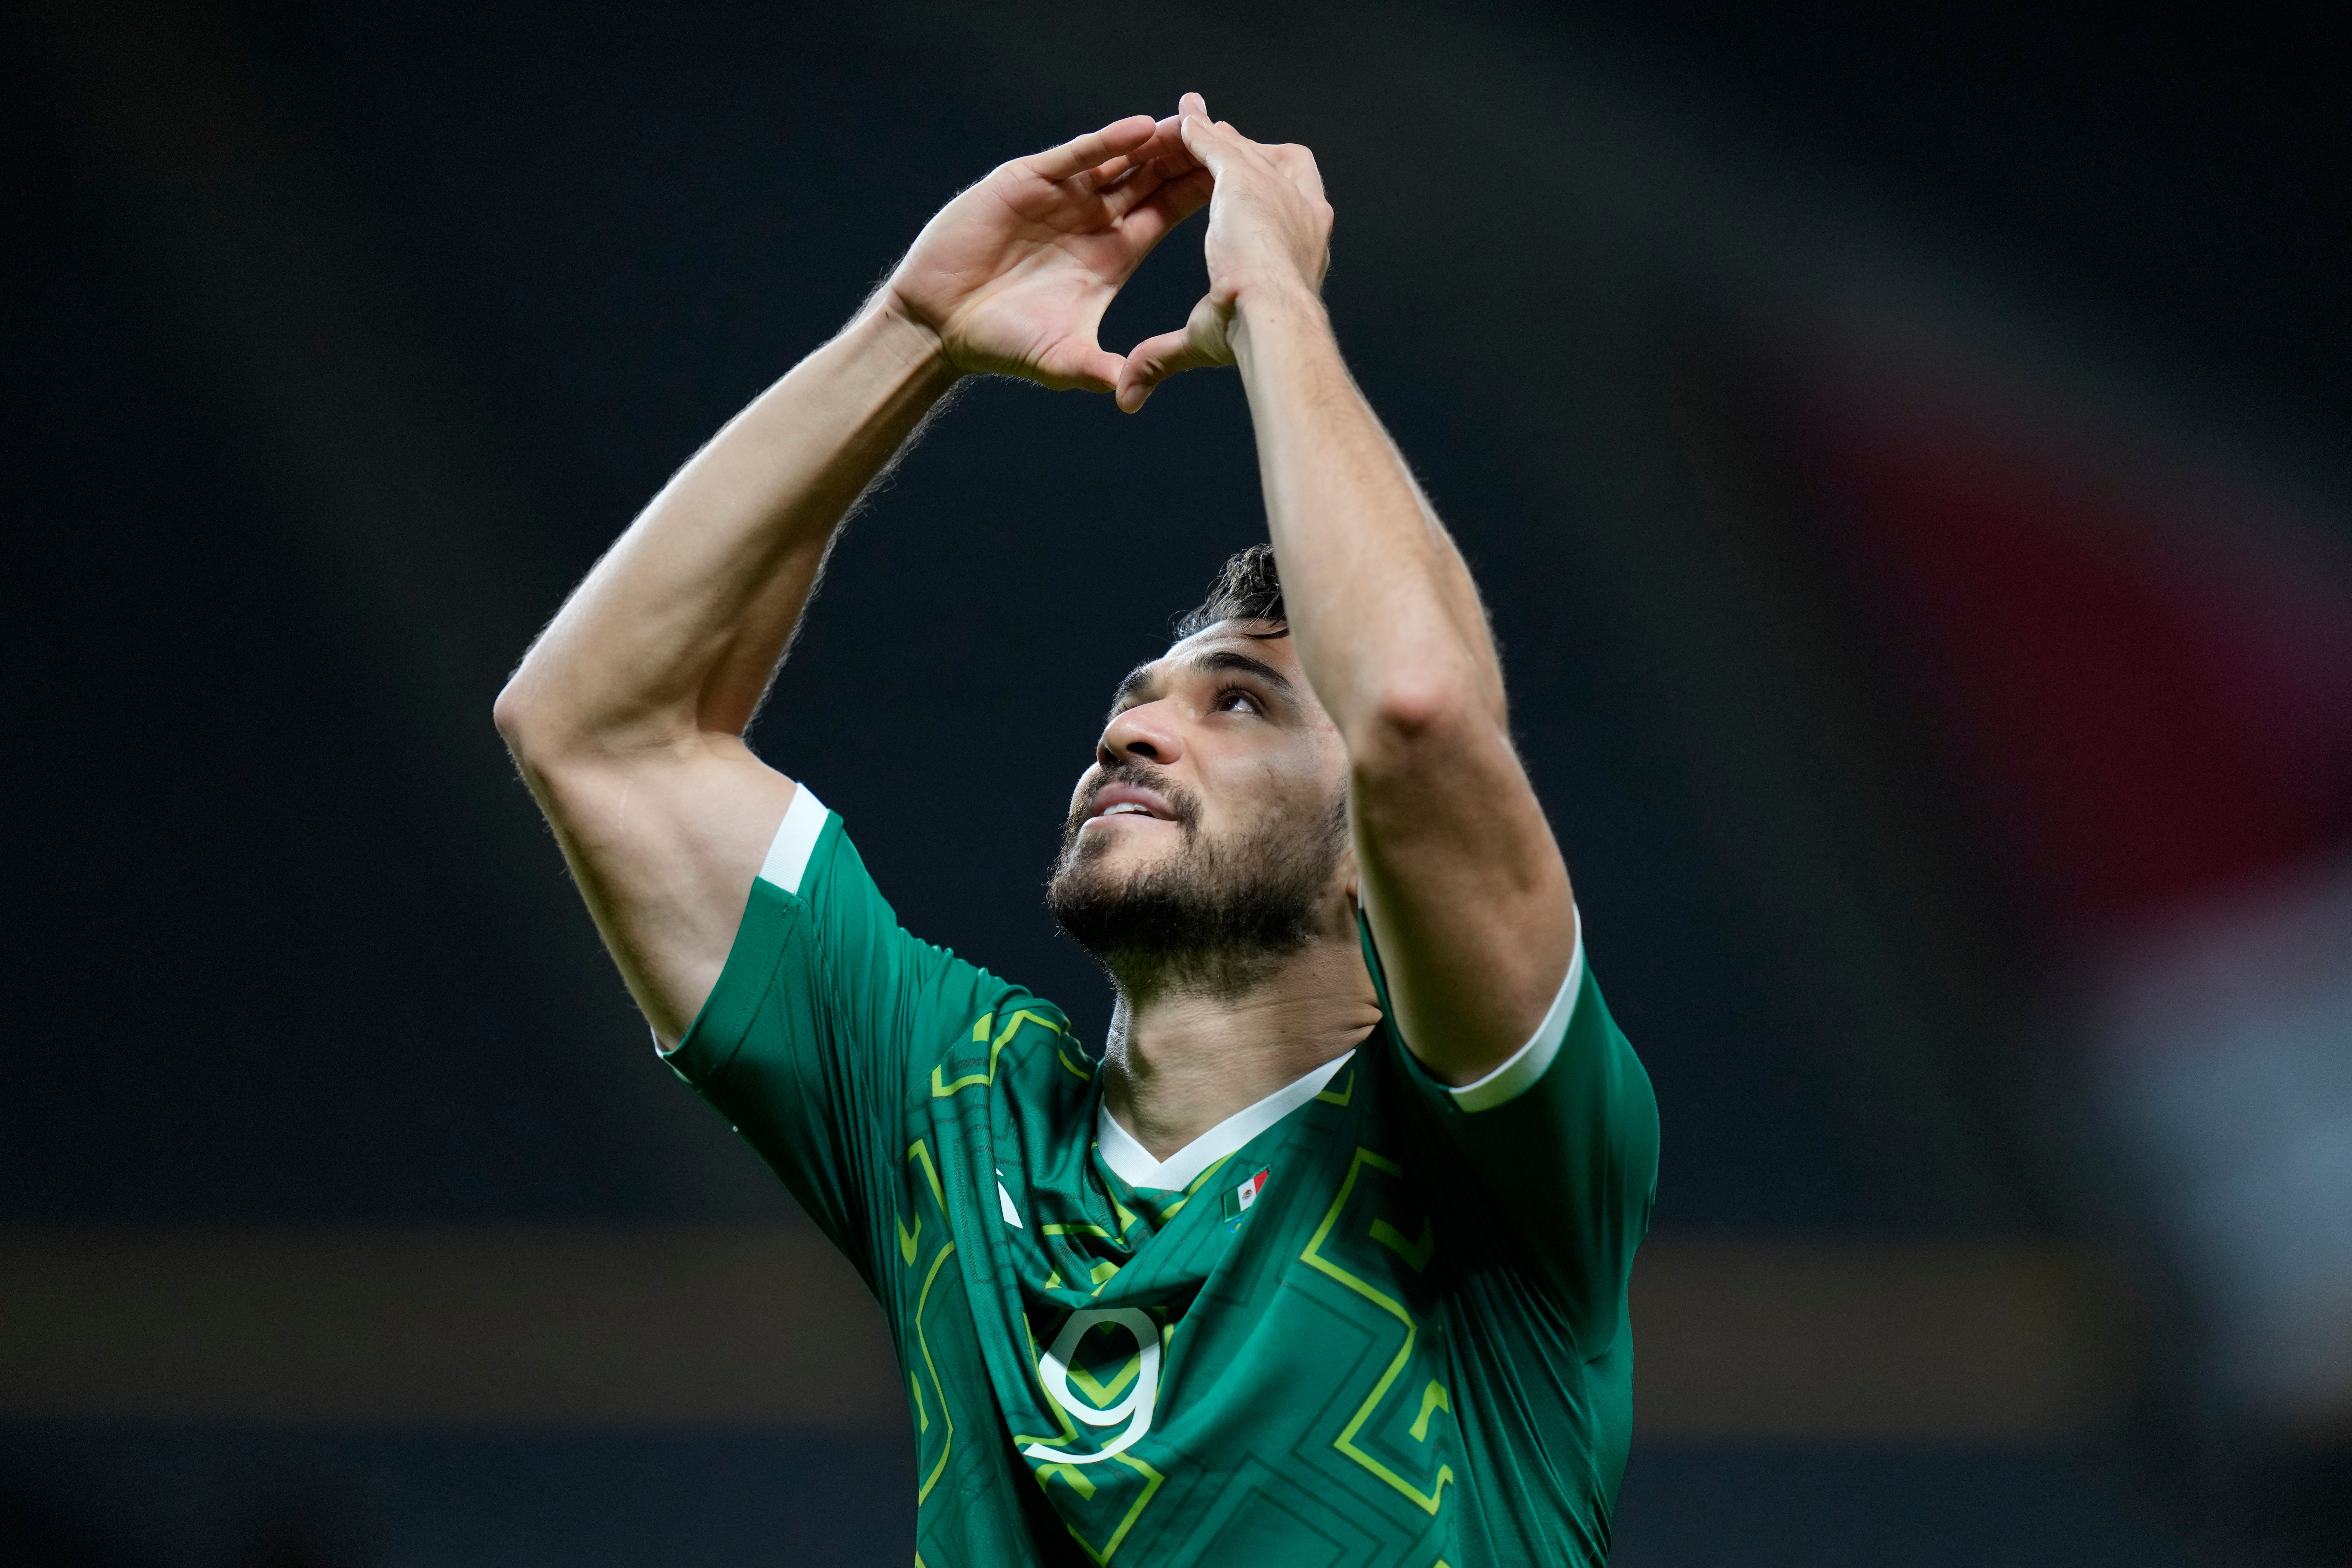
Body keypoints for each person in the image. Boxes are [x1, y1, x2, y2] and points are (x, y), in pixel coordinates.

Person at [495, 91, 1657, 1567]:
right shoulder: (955, 1111)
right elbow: (594, 731)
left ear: (1373, 849)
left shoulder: (1500, 1173)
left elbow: (1421, 715)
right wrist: (911, 337)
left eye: (1236, 703)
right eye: (1136, 696)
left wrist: (1277, 307)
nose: (1132, 727)